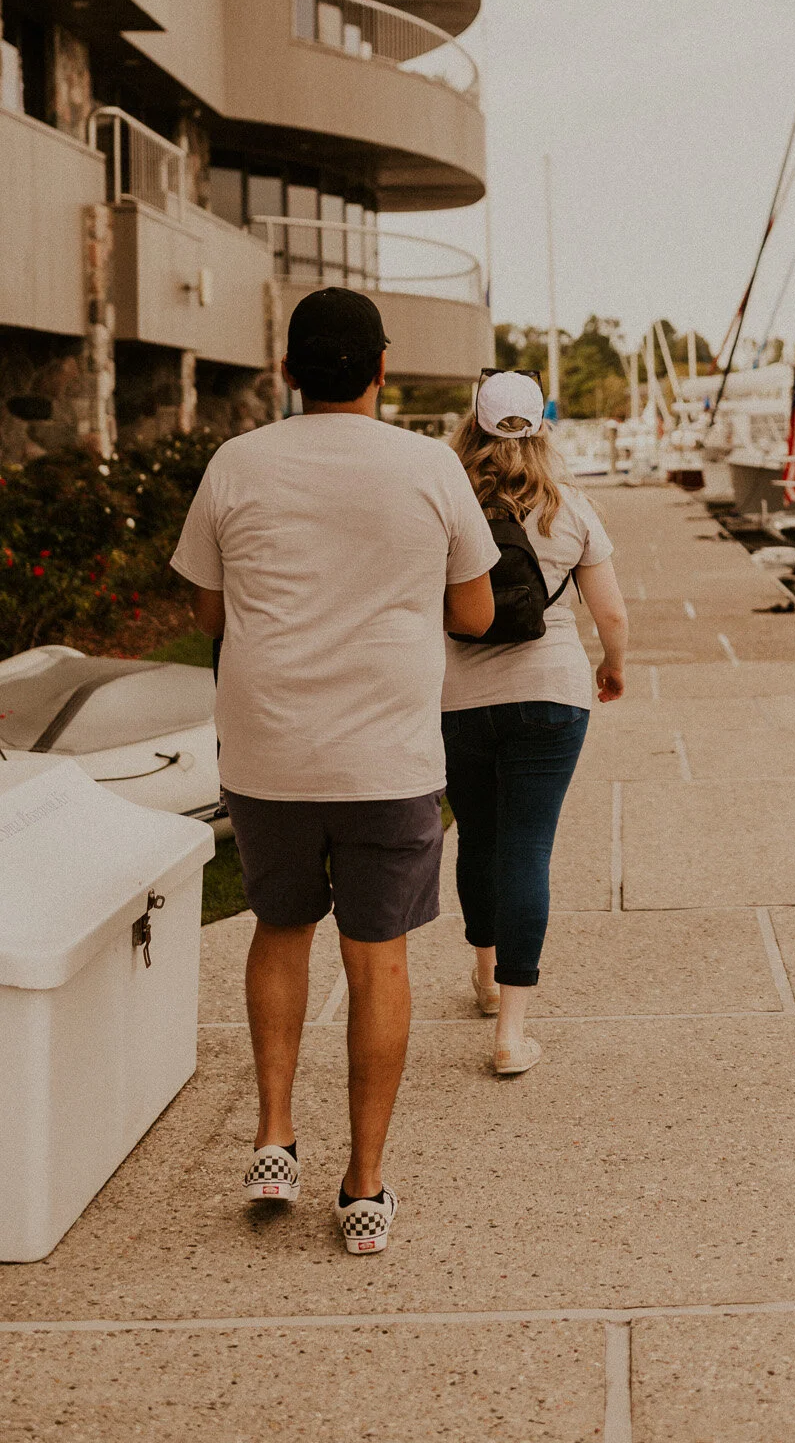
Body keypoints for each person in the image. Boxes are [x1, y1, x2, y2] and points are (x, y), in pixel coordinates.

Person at [171, 290, 498, 1256]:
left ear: (288, 373)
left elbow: (206, 615)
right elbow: (476, 614)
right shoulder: (430, 466)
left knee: (278, 927)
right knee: (378, 955)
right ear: (381, 370)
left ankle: (274, 1137)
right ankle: (363, 1186)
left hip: (268, 745)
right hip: (387, 754)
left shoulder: (237, 463)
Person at [442, 368, 629, 1075]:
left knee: (478, 837)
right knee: (526, 849)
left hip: (456, 696)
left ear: (473, 426)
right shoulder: (571, 507)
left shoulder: (448, 505)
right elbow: (609, 612)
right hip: (552, 693)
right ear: (541, 427)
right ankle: (512, 1036)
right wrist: (613, 666)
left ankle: (486, 975)